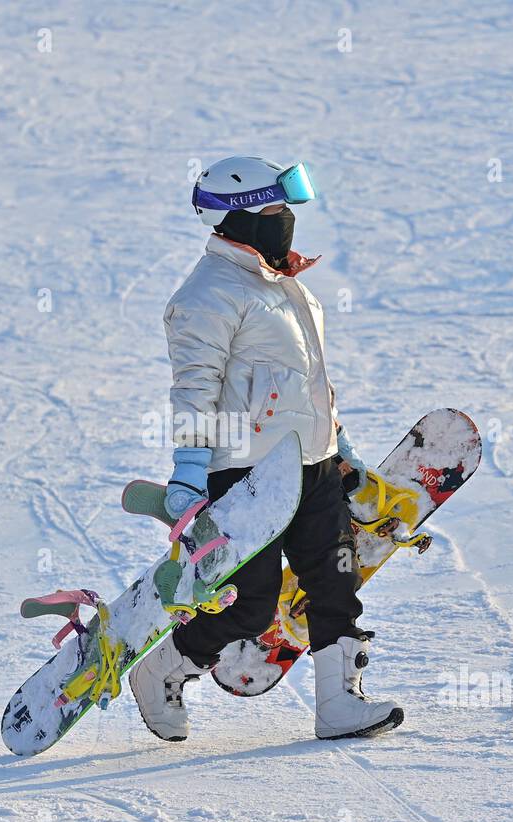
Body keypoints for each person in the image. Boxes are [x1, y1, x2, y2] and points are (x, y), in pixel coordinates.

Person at [129, 157, 403, 742]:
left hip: (313, 463)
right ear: (242, 216)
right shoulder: (207, 294)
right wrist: (189, 472)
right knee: (248, 606)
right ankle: (164, 668)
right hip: (245, 472)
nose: (288, 222)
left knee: (335, 582)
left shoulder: (286, 287)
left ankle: (337, 705)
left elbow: (310, 382)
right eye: (278, 212)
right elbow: (193, 390)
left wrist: (343, 450)